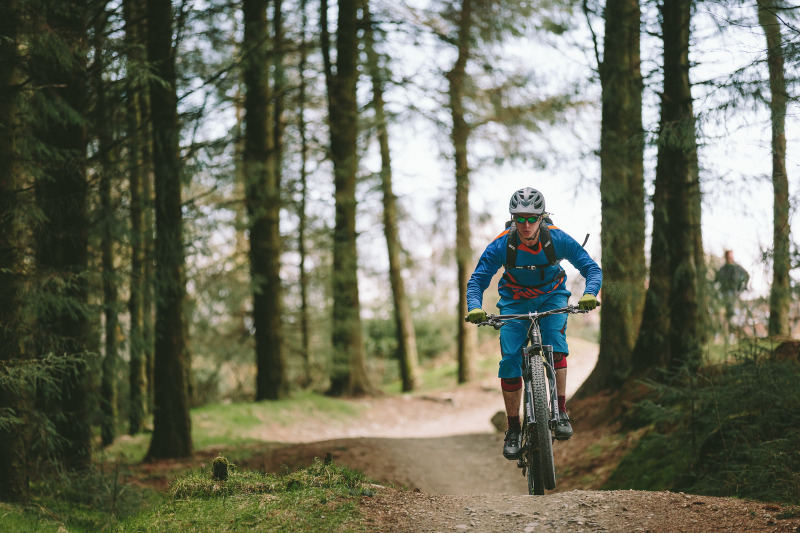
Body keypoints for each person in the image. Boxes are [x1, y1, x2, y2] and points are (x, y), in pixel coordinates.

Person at [465, 187, 602, 460]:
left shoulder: (557, 239)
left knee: (557, 345)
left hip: (552, 298)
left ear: (542, 217)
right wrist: (475, 307)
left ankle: (561, 411)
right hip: (514, 303)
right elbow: (477, 280)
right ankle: (513, 429)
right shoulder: (502, 244)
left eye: (532, 218)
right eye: (520, 218)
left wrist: (589, 293)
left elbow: (591, 268)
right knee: (510, 360)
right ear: (513, 219)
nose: (526, 225)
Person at [715, 249, 749, 325]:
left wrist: (743, 287)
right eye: (728, 257)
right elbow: (716, 280)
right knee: (727, 312)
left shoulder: (738, 268)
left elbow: (747, 276)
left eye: (730, 257)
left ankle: (733, 326)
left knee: (735, 312)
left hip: (735, 293)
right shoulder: (722, 269)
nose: (729, 258)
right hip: (724, 294)